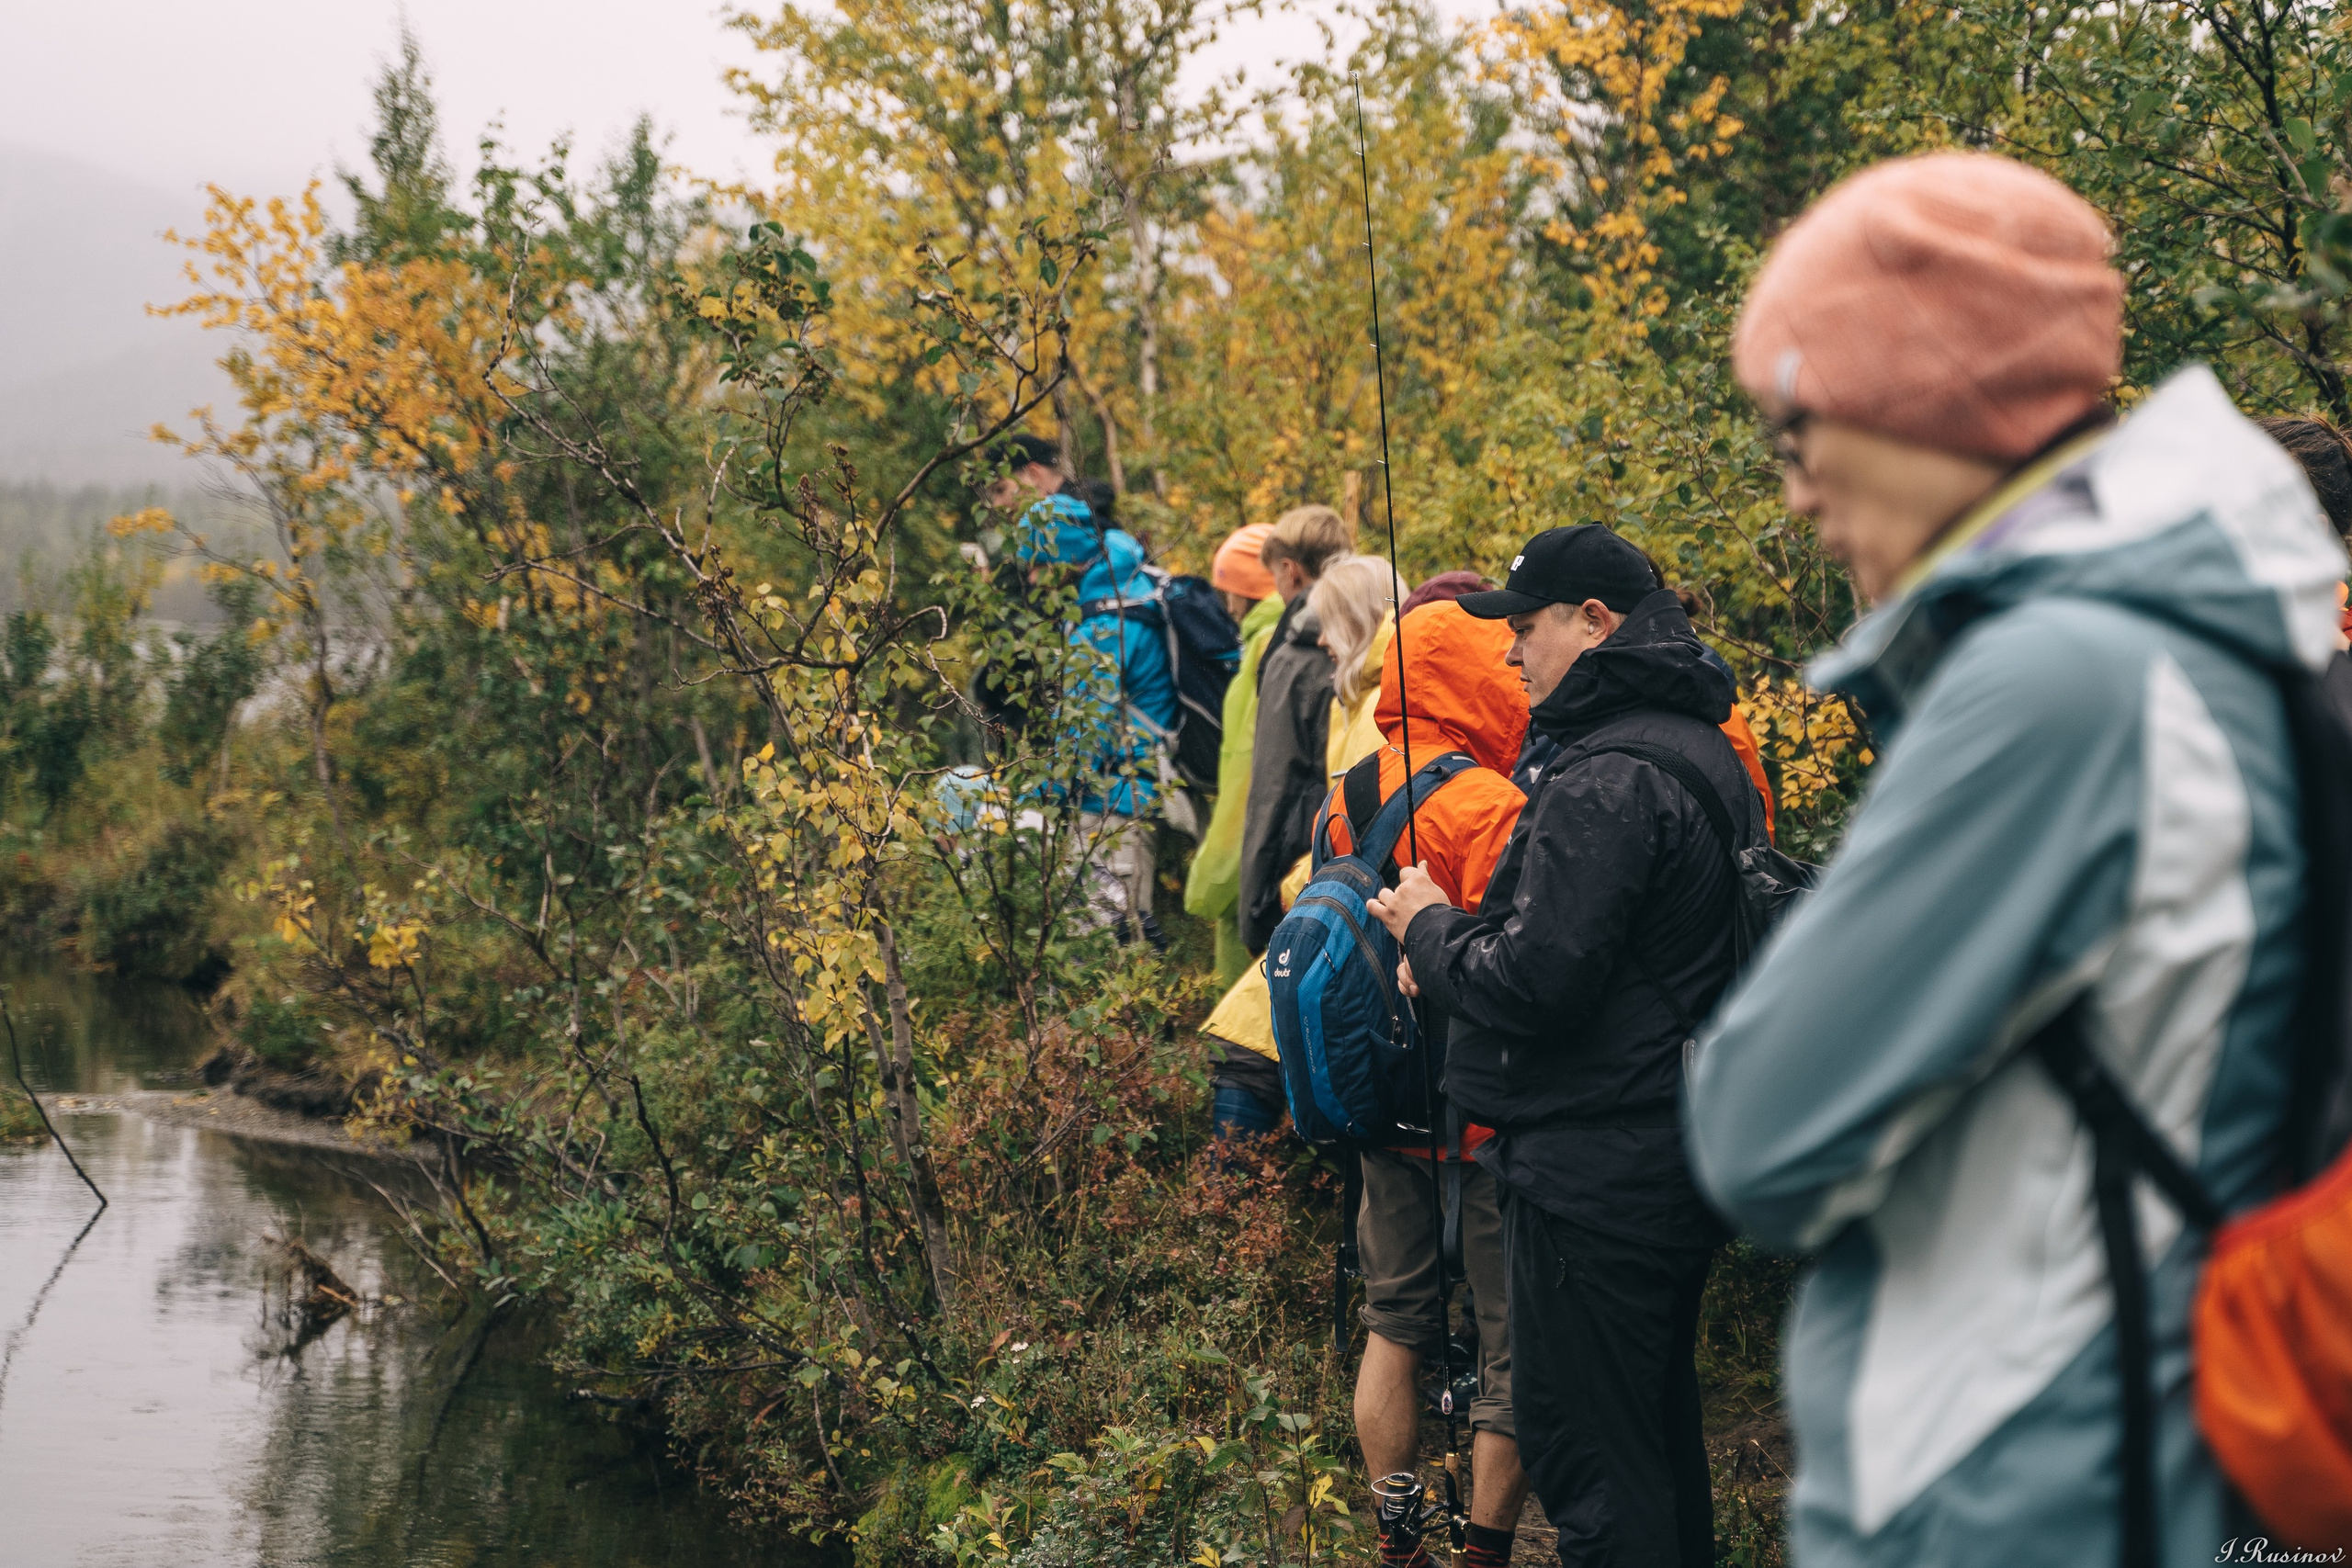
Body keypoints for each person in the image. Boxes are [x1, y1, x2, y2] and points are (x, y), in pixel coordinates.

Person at [1686, 152, 2348, 1568]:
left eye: (1795, 427)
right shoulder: (2214, 636)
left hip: (2025, 1482)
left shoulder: (2060, 679)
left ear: (1916, 400)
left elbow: (1760, 1128)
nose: (1793, 489)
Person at [1365, 523, 1750, 1568]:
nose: (1510, 654)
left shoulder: (1605, 776)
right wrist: (1463, 945)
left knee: (1595, 1469)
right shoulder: (1695, 745)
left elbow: (1540, 982)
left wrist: (1429, 930)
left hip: (1594, 1174)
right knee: (1653, 1447)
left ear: (1593, 622)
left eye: (1526, 628)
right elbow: (1603, 954)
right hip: (1666, 1146)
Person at [1320, 600, 1532, 1568]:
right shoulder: (1490, 804)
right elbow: (1520, 962)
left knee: (1394, 1321)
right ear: (1475, 678)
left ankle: (1394, 1536)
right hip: (1479, 1113)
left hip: (1378, 1094)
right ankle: (1485, 1551)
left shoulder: (1343, 793)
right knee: (1506, 1342)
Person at [987, 433, 1179, 943]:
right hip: (1125, 794)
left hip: (1115, 805)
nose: (1030, 577)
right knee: (1122, 940)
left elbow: (1087, 734)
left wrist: (1036, 798)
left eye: (1035, 562)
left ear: (1063, 557)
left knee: (1107, 948)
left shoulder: (1104, 623)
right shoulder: (1123, 591)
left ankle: (1130, 1024)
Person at [1240, 505, 1358, 953]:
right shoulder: (1381, 625)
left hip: (1304, 866)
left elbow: (1274, 786)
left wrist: (1254, 911)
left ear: (1290, 571)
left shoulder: (1295, 659)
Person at [1311, 555, 1404, 784]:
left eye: (1332, 624)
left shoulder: (1381, 705)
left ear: (1366, 618)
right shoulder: (1355, 701)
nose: (1321, 640)